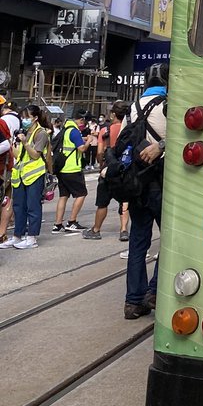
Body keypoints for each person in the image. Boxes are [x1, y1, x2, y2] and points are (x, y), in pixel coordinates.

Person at [124, 63, 167, 319]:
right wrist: (161, 145)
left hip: (136, 183)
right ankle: (154, 291)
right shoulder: (168, 105)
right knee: (170, 239)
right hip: (161, 183)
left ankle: (133, 301)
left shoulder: (133, 107)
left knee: (138, 241)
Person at [83, 101, 131, 242]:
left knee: (103, 202)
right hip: (124, 169)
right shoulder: (129, 130)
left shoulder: (105, 131)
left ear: (114, 114)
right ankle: (123, 230)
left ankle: (96, 229)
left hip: (108, 170)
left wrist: (103, 163)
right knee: (125, 201)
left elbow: (99, 152)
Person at [7, 102, 52, 249]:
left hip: (35, 175)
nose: (24, 120)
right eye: (23, 117)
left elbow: (35, 155)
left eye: (27, 117)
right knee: (19, 206)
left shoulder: (41, 133)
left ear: (35, 118)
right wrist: (12, 143)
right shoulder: (24, 132)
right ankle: (17, 236)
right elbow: (18, 155)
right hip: (20, 175)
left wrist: (25, 143)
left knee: (33, 206)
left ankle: (32, 237)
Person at [52, 111, 89, 232]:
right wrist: (89, 141)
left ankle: (57, 224)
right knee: (81, 194)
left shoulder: (65, 129)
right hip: (72, 168)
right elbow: (81, 148)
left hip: (61, 168)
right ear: (81, 120)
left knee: (63, 196)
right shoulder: (74, 131)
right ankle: (72, 221)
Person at [0, 98, 21, 248]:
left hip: (3, 167)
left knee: (5, 198)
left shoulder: (3, 122)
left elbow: (5, 144)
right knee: (7, 198)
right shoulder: (18, 120)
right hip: (11, 163)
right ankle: (2, 233)